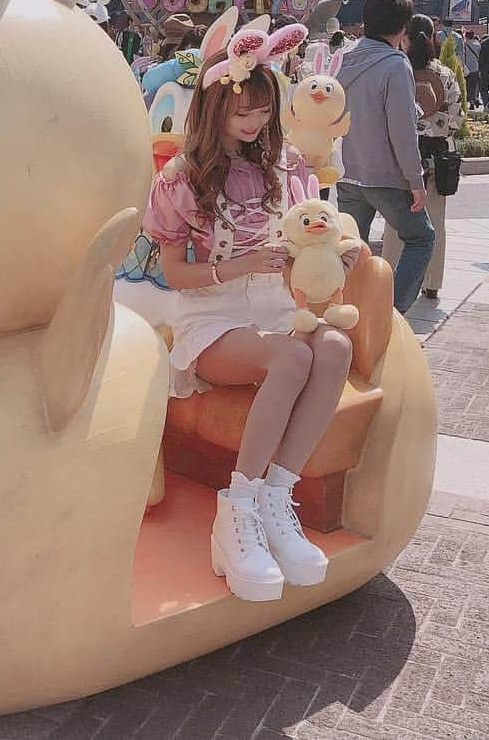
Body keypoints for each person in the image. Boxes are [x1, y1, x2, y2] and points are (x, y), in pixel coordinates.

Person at [143, 33, 355, 602]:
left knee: (334, 347)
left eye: (263, 111)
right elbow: (175, 274)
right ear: (216, 110)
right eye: (243, 112)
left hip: (276, 306)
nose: (255, 122)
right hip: (210, 315)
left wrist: (330, 255)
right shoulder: (183, 177)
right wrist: (240, 264)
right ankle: (236, 511)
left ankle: (275, 499)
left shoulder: (285, 169)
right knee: (291, 355)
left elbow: (305, 249)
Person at [335, 0, 434, 314]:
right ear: (402, 27)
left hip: (347, 172)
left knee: (353, 249)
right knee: (421, 239)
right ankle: (389, 315)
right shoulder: (395, 64)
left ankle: (350, 311)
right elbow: (402, 131)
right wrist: (415, 180)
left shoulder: (344, 58)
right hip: (386, 175)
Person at [381, 15, 464, 300]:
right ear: (433, 36)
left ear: (404, 37)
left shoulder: (395, 69)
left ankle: (389, 276)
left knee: (395, 221)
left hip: (400, 156)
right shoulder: (445, 74)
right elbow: (456, 119)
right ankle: (432, 282)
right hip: (437, 156)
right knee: (435, 221)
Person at [461, 28, 482, 108]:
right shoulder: (478, 44)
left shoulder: (464, 44)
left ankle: (466, 101)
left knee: (465, 85)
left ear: (466, 36)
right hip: (475, 68)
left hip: (466, 68)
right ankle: (473, 101)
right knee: (473, 86)